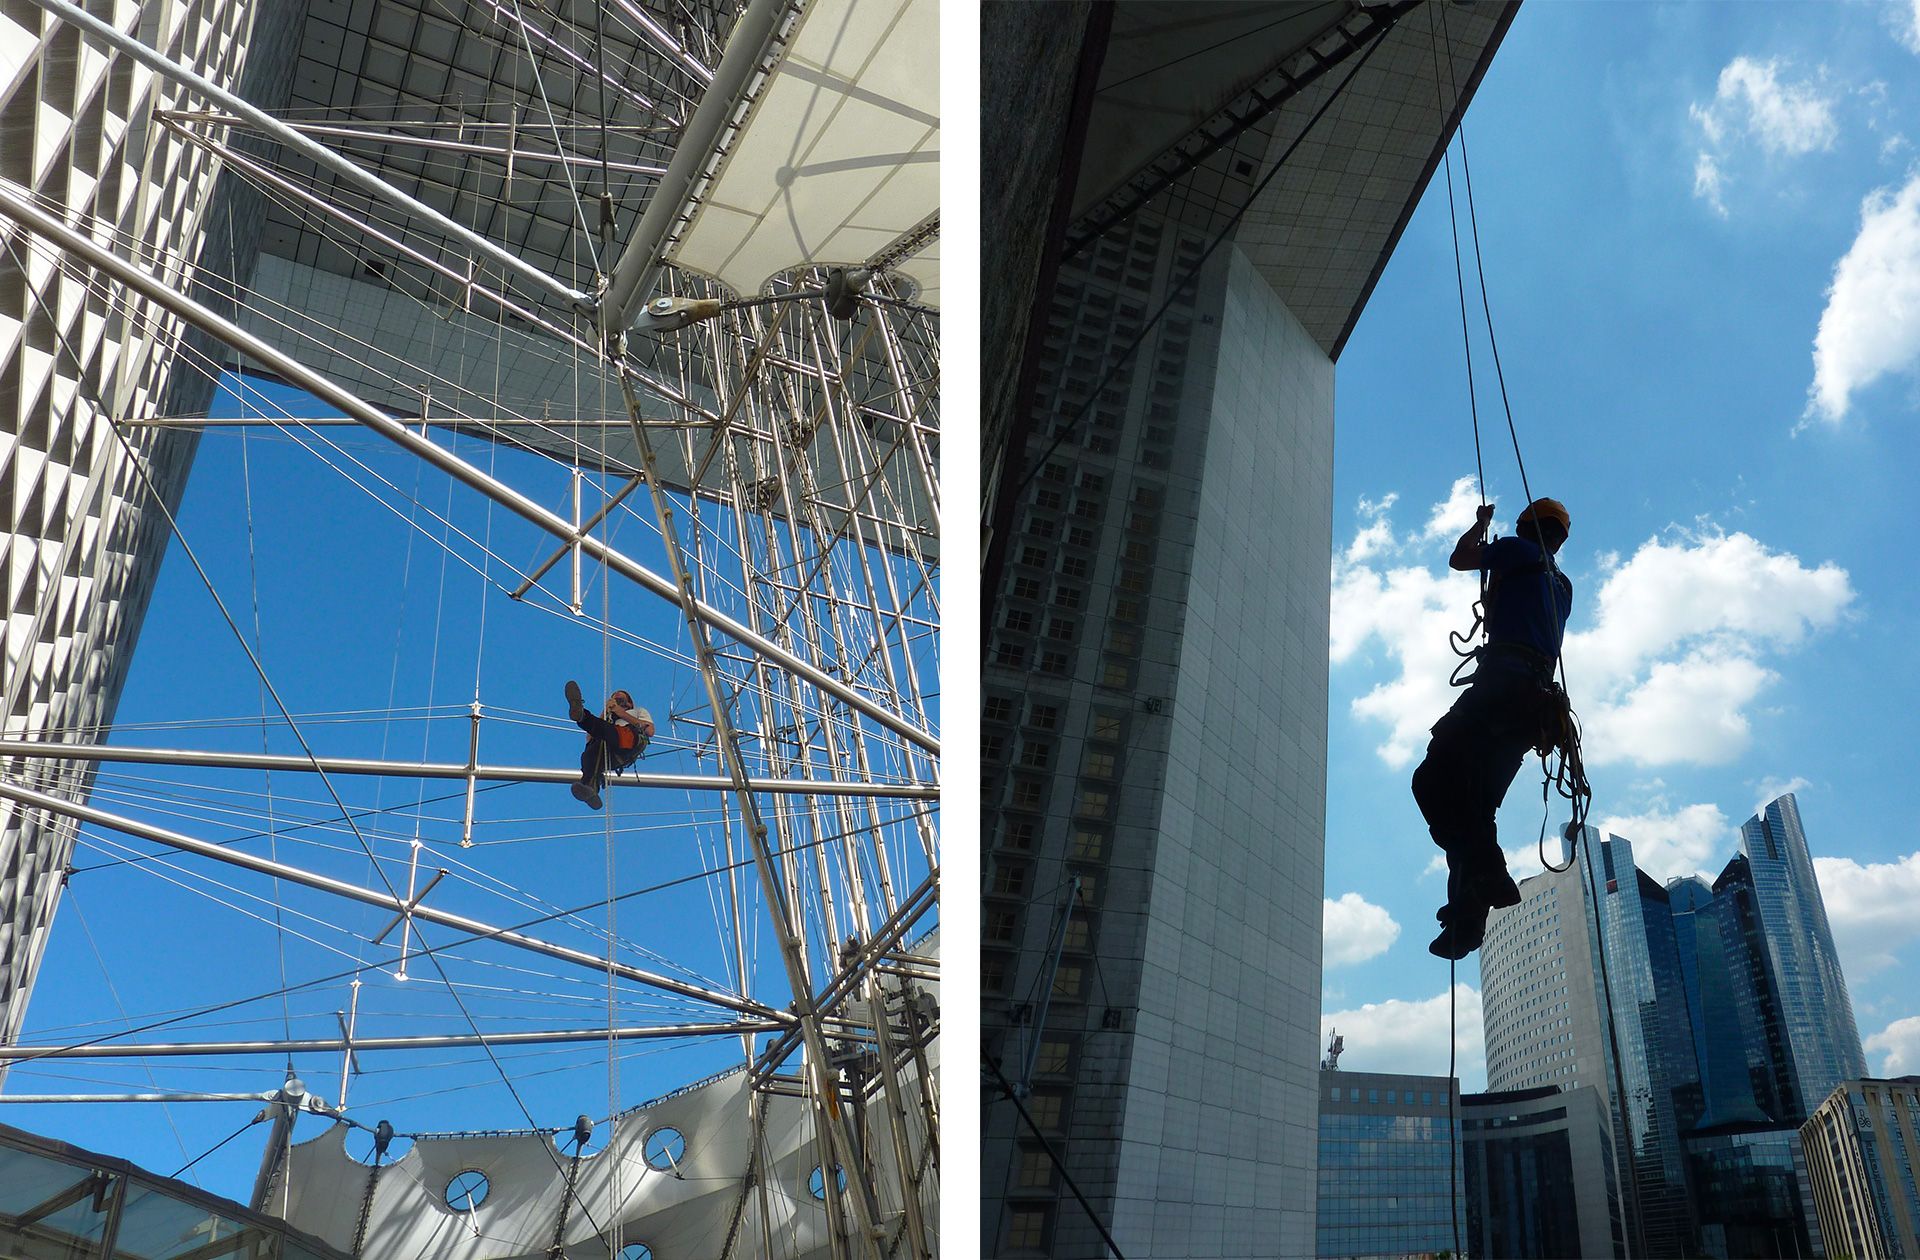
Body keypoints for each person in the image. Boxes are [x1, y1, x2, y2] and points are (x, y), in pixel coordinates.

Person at [1411, 497, 1573, 960]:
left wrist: (1480, 526)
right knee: (1475, 809)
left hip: (1503, 684)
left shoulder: (1519, 552)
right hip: (1533, 709)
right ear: (1560, 536)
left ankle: (1488, 874)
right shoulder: (1562, 585)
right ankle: (1466, 922)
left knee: (1433, 780)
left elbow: (1460, 559)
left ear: (1527, 528)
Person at [565, 680, 654, 810]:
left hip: (629, 739)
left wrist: (619, 712)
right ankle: (590, 789)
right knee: (589, 754)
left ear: (629, 703)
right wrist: (605, 712)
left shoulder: (637, 711)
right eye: (614, 697)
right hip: (609, 749)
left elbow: (650, 731)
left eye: (620, 697)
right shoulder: (607, 718)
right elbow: (590, 737)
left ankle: (583, 717)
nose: (616, 698)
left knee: (610, 732)